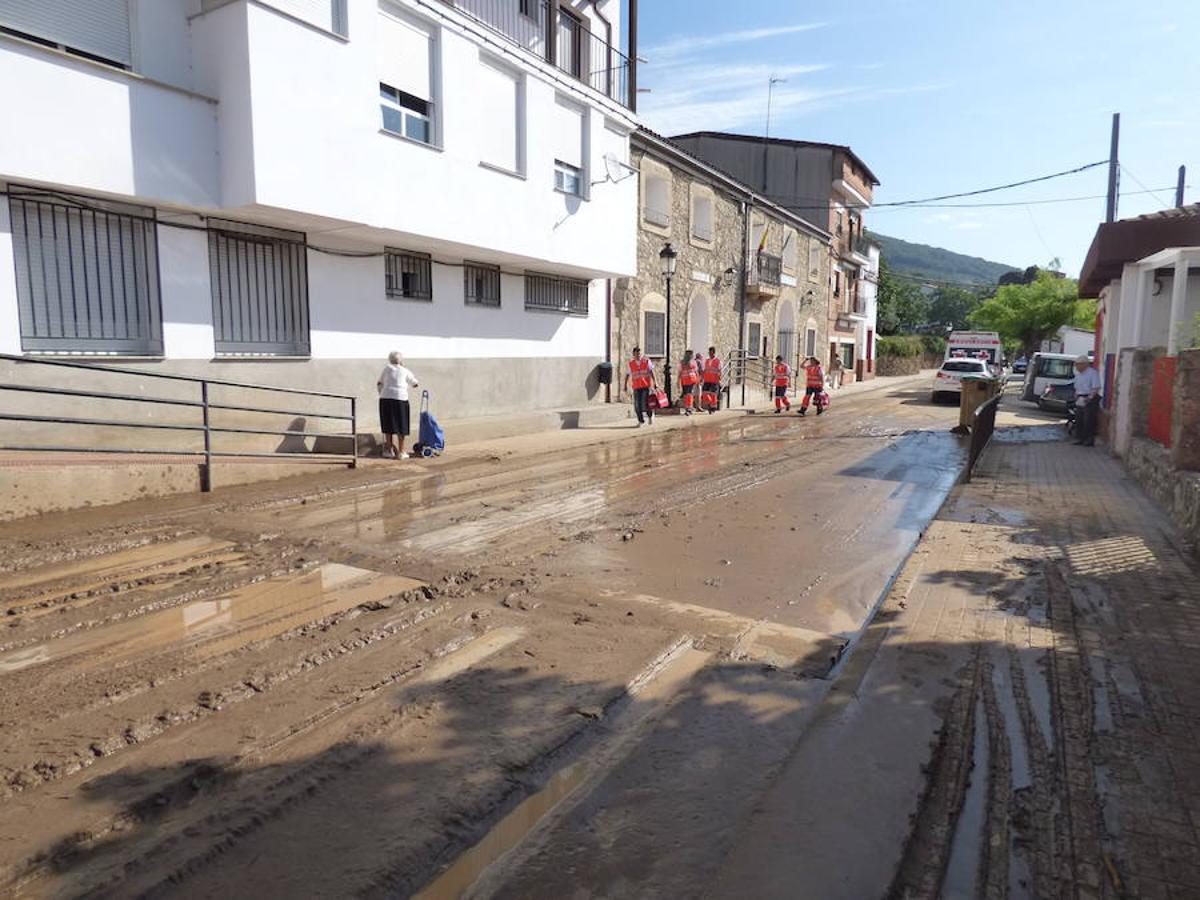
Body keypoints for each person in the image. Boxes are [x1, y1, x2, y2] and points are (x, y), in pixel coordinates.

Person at [376, 351, 419, 459]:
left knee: (388, 424)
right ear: (401, 360)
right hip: (400, 399)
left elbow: (379, 382)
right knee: (402, 424)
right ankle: (401, 451)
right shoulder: (405, 370)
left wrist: (381, 392)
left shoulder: (387, 368)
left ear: (390, 360)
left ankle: (389, 450)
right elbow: (415, 384)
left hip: (385, 398)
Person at [1072, 354, 1101, 447]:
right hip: (1080, 398)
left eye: (1078, 364)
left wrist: (1089, 398)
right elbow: (1076, 387)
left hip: (1089, 398)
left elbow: (1096, 387)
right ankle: (1080, 438)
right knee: (1079, 419)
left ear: (1085, 364)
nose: (1077, 366)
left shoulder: (1092, 373)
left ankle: (1089, 440)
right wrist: (1076, 396)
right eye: (1076, 364)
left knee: (1088, 420)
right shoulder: (1078, 374)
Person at [624, 346, 657, 427]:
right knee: (637, 405)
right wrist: (625, 385)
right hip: (636, 387)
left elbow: (652, 372)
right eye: (636, 354)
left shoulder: (646, 361)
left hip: (646, 386)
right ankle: (641, 421)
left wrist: (655, 382)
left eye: (639, 354)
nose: (638, 356)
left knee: (645, 403)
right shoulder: (631, 364)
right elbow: (628, 375)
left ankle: (650, 415)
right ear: (633, 354)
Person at [701, 347, 723, 414]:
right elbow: (704, 370)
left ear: (714, 352)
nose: (710, 353)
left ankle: (712, 408)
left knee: (713, 395)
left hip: (714, 380)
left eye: (711, 352)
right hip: (707, 380)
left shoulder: (718, 361)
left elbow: (720, 371)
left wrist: (719, 380)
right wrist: (702, 378)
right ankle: (710, 404)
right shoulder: (706, 361)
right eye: (709, 352)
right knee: (704, 393)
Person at [678, 350, 700, 416]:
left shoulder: (692, 362)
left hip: (691, 380)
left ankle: (689, 408)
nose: (691, 355)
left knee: (689, 394)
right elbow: (680, 372)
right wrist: (678, 381)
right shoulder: (683, 362)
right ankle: (687, 408)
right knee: (686, 395)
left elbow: (696, 372)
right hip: (685, 381)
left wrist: (698, 380)